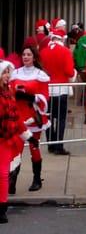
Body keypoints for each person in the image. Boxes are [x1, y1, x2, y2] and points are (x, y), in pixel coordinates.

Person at [9, 46, 51, 192]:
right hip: (18, 117)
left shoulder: (40, 75)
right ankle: (12, 181)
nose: (26, 57)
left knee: (34, 148)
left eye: (29, 54)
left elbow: (45, 97)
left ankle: (37, 179)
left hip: (33, 116)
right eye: (24, 54)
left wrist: (32, 97)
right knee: (16, 149)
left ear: (34, 57)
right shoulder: (15, 74)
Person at [0, 61, 36, 224]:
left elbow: (16, 117)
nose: (8, 76)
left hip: (6, 140)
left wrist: (29, 137)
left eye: (8, 72)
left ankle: (2, 208)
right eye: (4, 73)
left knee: (3, 174)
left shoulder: (9, 92)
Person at [40, 29, 76, 155]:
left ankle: (51, 144)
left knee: (48, 117)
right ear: (62, 39)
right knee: (61, 119)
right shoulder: (65, 51)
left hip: (47, 90)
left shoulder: (43, 52)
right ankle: (59, 146)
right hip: (61, 89)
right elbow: (70, 72)